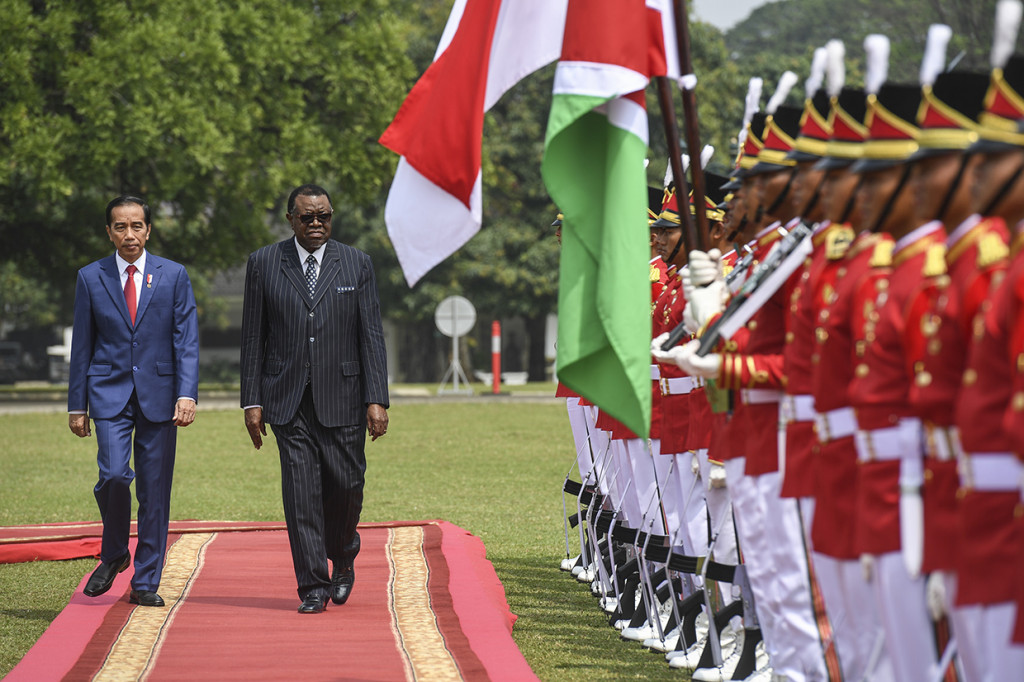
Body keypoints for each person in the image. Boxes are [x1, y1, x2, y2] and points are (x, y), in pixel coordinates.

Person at [240, 183, 389, 614]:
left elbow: (372, 336)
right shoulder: (264, 263)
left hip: (344, 395)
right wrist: (252, 400)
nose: (317, 224)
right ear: (291, 219)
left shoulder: (356, 263)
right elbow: (253, 338)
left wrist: (376, 398)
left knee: (346, 486)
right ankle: (313, 587)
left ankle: (342, 556)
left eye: (324, 216)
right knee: (300, 493)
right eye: (307, 217)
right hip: (287, 399)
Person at [68, 195, 199, 608]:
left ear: (148, 229)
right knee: (113, 475)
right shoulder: (91, 277)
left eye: (137, 226)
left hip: (160, 396)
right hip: (107, 393)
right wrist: (77, 405)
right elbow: (82, 345)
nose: (130, 234)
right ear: (109, 232)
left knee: (155, 492)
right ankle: (114, 553)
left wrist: (186, 392)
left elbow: (186, 340)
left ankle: (145, 581)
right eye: (121, 227)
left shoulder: (173, 275)